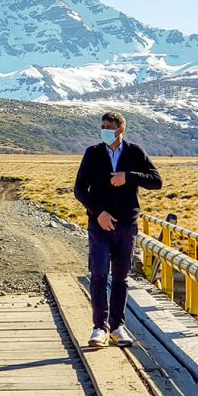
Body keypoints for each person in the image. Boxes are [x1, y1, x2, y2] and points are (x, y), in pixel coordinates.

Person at [74, 112, 162, 347]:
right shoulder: (93, 153)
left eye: (109, 126)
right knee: (99, 275)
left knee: (121, 278)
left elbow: (156, 181)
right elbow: (80, 189)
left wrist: (129, 176)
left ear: (121, 129)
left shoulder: (134, 152)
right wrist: (97, 212)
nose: (104, 130)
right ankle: (99, 328)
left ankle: (117, 326)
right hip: (100, 226)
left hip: (126, 226)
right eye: (102, 126)